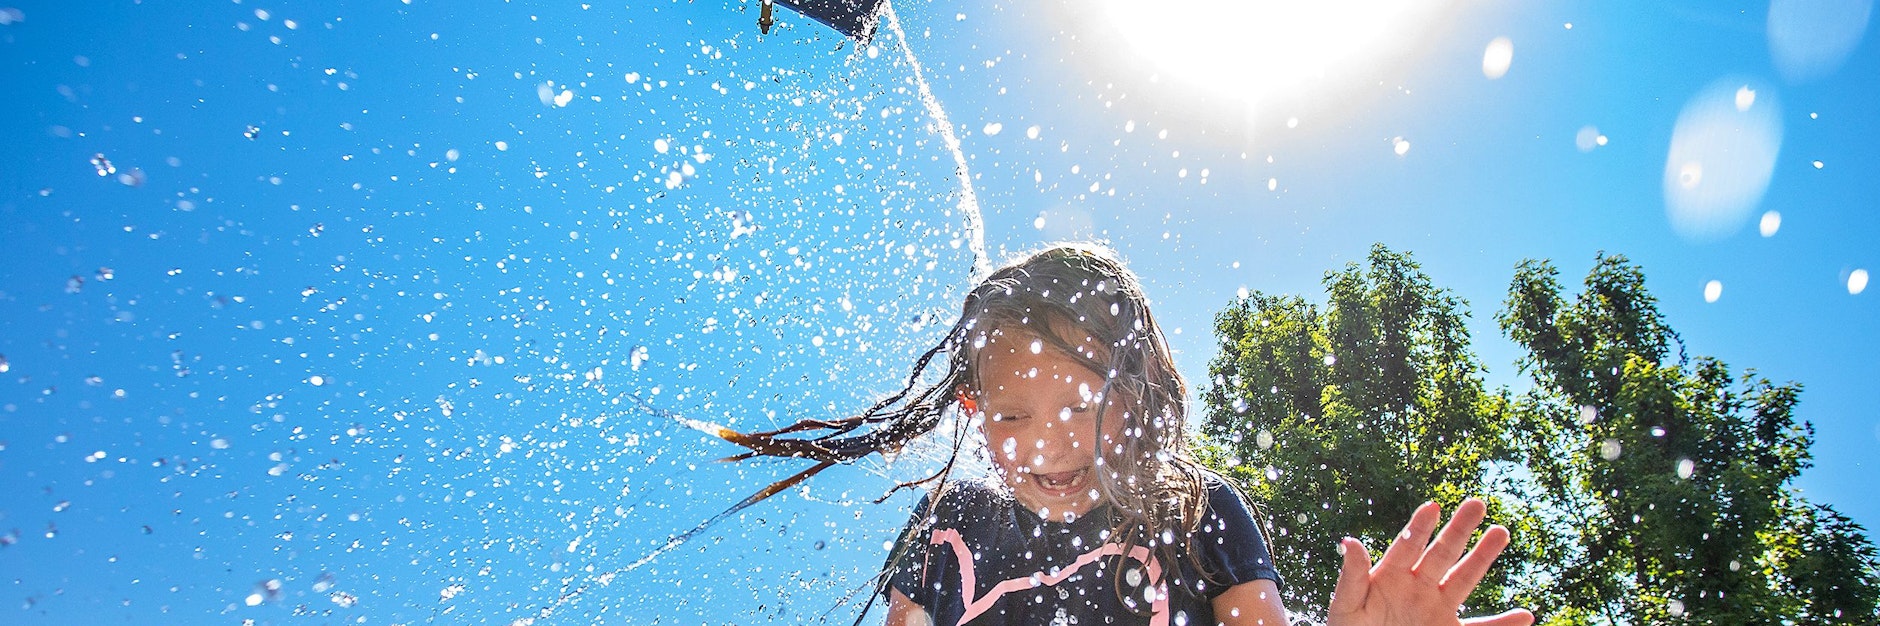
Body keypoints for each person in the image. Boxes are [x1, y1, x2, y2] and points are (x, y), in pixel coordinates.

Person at [711, 243, 1535, 626]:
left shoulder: (1198, 512)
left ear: (1136, 396)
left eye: (1083, 406)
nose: (1052, 445)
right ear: (971, 409)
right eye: (1013, 416)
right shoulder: (950, 526)